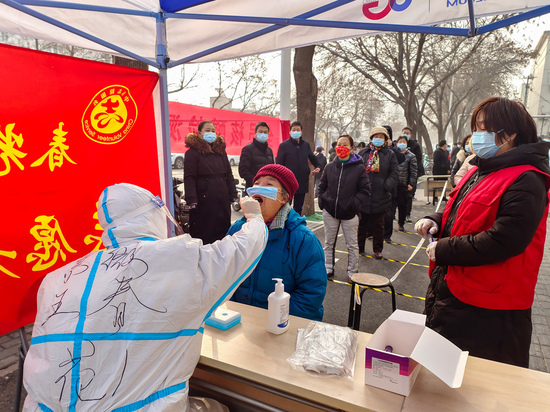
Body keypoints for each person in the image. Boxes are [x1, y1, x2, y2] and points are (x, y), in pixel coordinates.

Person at [23, 183, 267, 411]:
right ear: (152, 215)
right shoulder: (177, 260)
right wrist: (255, 218)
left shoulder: (56, 278)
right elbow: (242, 250)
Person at [415, 97, 550, 368]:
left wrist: (445, 248)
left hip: (489, 309)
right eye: (476, 127)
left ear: (510, 134)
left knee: (473, 381)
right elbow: (462, 213)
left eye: (485, 128)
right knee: (439, 372)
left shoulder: (527, 179)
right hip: (452, 291)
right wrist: (435, 221)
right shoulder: (479, 170)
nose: (477, 135)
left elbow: (505, 239)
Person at [228, 164, 327, 321]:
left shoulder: (304, 240)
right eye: (256, 183)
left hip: (282, 324)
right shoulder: (237, 230)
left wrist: (272, 320)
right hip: (239, 320)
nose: (259, 188)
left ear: (284, 198)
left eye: (269, 184)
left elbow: (310, 295)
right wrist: (235, 312)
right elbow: (225, 276)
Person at [318, 134, 370, 282]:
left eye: (345, 144)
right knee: (328, 242)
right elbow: (322, 186)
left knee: (352, 245)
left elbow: (365, 190)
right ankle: (328, 267)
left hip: (350, 213)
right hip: (330, 211)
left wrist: (354, 204)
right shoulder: (329, 167)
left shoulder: (359, 168)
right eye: (339, 144)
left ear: (352, 148)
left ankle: (352, 272)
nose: (341, 147)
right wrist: (322, 202)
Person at [184, 120, 237, 244]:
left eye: (213, 130)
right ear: (200, 133)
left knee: (223, 233)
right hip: (203, 199)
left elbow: (229, 174)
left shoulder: (221, 151)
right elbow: (189, 177)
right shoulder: (192, 153)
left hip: (222, 198)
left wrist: (233, 193)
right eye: (207, 130)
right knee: (204, 233)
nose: (211, 133)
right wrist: (192, 200)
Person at [357, 126, 399, 259]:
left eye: (381, 137)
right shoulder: (363, 152)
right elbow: (356, 169)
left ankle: (377, 250)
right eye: (376, 136)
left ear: (386, 139)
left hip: (381, 194)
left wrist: (386, 186)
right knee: (361, 224)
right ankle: (359, 247)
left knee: (379, 225)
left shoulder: (390, 154)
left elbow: (394, 172)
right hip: (364, 194)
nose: (378, 139)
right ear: (371, 138)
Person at [276, 121, 321, 215]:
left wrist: (318, 166)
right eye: (294, 130)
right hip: (288, 181)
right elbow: (279, 164)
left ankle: (296, 222)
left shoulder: (306, 145)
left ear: (301, 131)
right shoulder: (284, 145)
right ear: (290, 132)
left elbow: (312, 157)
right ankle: (285, 222)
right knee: (285, 206)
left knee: (299, 207)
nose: (296, 132)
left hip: (302, 180)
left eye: (298, 130)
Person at [383, 125, 405, 243]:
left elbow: (401, 158)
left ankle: (387, 235)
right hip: (376, 186)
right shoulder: (373, 148)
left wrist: (392, 147)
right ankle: (370, 233)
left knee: (389, 213)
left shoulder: (393, 148)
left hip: (391, 187)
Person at [238, 121, 275, 189]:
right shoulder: (248, 149)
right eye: (260, 132)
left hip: (267, 188)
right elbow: (243, 171)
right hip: (253, 188)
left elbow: (272, 170)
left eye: (265, 132)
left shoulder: (269, 151)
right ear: (255, 133)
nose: (263, 134)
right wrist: (255, 182)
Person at [396, 135, 418, 231]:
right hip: (393, 184)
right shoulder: (393, 154)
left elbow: (413, 171)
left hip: (403, 184)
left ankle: (401, 223)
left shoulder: (411, 156)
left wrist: (411, 183)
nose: (402, 144)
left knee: (402, 205)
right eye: (400, 142)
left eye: (404, 142)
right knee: (390, 206)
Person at [402, 126, 423, 222]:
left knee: (409, 196)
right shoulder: (397, 144)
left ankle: (407, 214)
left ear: (410, 135)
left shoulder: (415, 146)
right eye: (404, 132)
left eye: (407, 133)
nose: (405, 134)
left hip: (410, 174)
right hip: (400, 174)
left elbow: (418, 159)